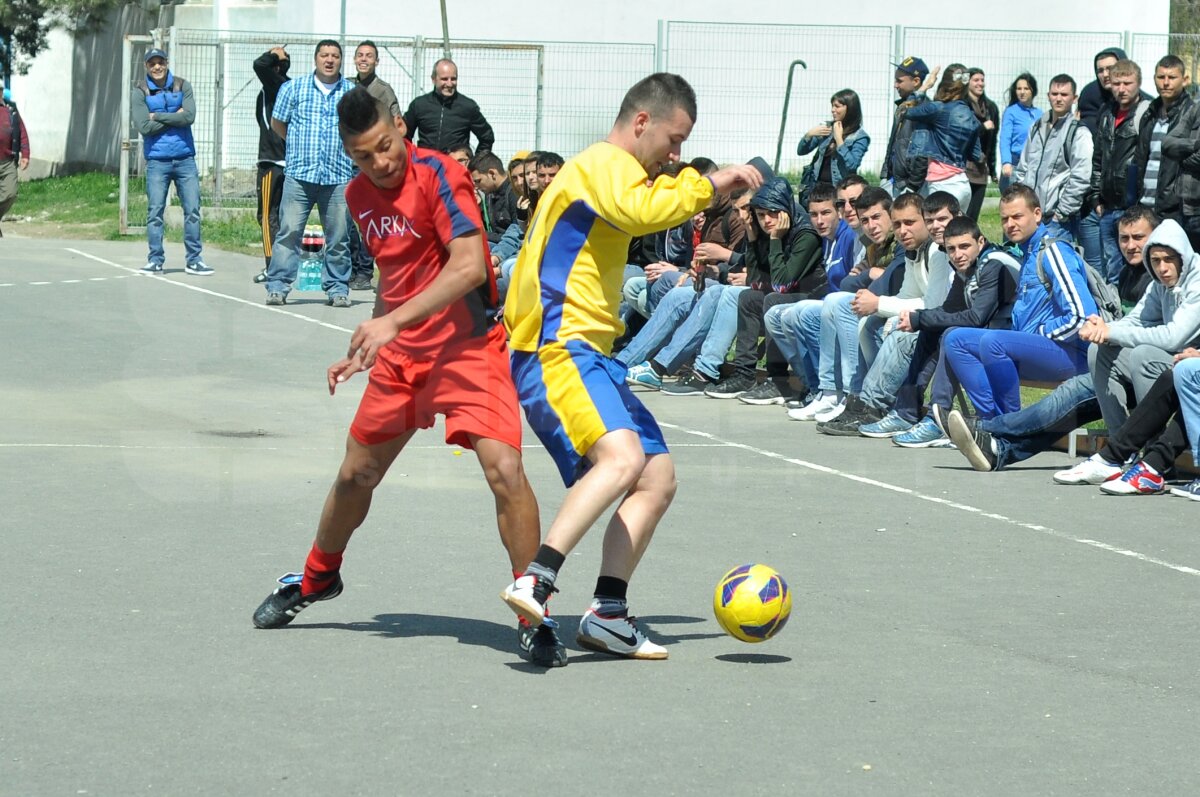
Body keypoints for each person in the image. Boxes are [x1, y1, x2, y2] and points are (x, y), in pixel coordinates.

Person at [251, 87, 566, 669]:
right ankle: (318, 577)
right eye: (363, 156)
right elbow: (395, 274)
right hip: (403, 357)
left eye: (385, 146)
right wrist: (371, 342)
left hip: (469, 350)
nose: (380, 162)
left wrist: (390, 322)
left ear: (400, 126)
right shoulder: (357, 195)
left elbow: (468, 266)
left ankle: (532, 611)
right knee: (356, 474)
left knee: (505, 471)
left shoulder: (442, 173)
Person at [499, 73, 762, 660]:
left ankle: (608, 613)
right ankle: (537, 579)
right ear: (641, 122)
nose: (674, 155)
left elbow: (640, 207)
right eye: (674, 140)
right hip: (556, 347)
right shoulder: (603, 164)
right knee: (622, 459)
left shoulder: (614, 173)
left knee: (656, 476)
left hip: (590, 352)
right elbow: (645, 211)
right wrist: (710, 181)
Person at [943, 184, 1096, 419]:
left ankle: (1009, 425)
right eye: (1005, 219)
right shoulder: (1028, 253)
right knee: (955, 339)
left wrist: (1042, 333)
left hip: (1071, 354)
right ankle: (990, 421)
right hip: (1036, 350)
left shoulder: (1054, 252)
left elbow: (1083, 318)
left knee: (994, 342)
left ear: (1037, 214)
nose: (1010, 224)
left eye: (1017, 216)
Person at [1079, 218, 1200, 437]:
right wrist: (1102, 329)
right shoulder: (1158, 283)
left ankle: (1152, 445)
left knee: (1144, 356)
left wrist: (1112, 332)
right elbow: (1137, 319)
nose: (1162, 268)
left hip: (1193, 364)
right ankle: (1120, 442)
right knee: (1098, 350)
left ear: (1183, 257)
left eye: (1169, 259)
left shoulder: (1197, 281)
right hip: (1177, 360)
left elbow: (1174, 337)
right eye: (1155, 261)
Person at [263, 40, 356, 307]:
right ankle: (278, 286)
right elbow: (278, 123)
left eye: (335, 56)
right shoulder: (293, 88)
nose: (329, 60)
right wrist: (297, 145)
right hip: (300, 175)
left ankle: (337, 288)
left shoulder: (351, 93)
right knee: (289, 233)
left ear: (341, 60)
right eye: (324, 55)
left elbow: (360, 128)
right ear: (316, 59)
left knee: (339, 237)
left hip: (338, 176)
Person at [132, 48, 210, 276]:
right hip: (157, 161)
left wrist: (157, 116)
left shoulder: (182, 85)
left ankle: (194, 260)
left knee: (192, 210)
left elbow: (190, 117)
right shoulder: (140, 90)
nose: (157, 67)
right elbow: (144, 127)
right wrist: (176, 115)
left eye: (160, 62)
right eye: (152, 63)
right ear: (146, 66)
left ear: (166, 63)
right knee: (155, 211)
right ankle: (155, 260)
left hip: (185, 159)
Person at [1085, 58, 1151, 285]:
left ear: (1138, 83)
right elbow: (1098, 159)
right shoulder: (1106, 113)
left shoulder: (1146, 113)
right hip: (1107, 207)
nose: (1121, 89)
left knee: (1138, 268)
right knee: (1112, 269)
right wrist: (1096, 197)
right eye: (1116, 83)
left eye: (1127, 83)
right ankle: (1115, 306)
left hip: (1133, 206)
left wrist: (1139, 201)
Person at [1014, 74, 1092, 244]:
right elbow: (1023, 167)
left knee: (1053, 260)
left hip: (1057, 221)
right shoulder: (1036, 127)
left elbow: (1081, 177)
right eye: (1054, 94)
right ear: (1048, 95)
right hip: (1029, 217)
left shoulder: (1078, 132)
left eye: (1064, 95)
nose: (1058, 99)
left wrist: (1061, 213)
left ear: (1074, 98)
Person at [905, 64, 982, 210]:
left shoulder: (937, 108)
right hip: (963, 184)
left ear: (944, 84)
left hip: (942, 184)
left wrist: (925, 86)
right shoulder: (972, 117)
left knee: (936, 224)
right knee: (958, 225)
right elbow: (975, 155)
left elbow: (904, 110)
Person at [251, 47, 291, 284]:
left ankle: (272, 267)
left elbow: (259, 64)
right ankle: (283, 265)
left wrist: (275, 54)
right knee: (284, 217)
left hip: (272, 162)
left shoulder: (275, 84)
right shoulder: (288, 87)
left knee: (267, 216)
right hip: (286, 161)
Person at [1136, 56, 1193, 218]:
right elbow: (1140, 160)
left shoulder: (1192, 115)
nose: (1166, 83)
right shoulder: (1149, 114)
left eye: (1172, 77)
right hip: (1144, 206)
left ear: (1184, 80)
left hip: (1176, 212)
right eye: (1161, 77)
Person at [403, 58, 494, 154]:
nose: (449, 84)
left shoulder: (467, 107)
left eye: (453, 79)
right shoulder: (419, 105)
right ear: (434, 79)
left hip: (454, 163)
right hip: (426, 161)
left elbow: (487, 137)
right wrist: (409, 157)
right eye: (444, 79)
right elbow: (403, 134)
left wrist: (477, 161)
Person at [797, 89, 870, 207]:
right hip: (817, 187)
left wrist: (839, 139)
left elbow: (852, 165)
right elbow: (801, 151)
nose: (833, 110)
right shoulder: (827, 128)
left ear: (849, 108)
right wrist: (809, 134)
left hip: (838, 189)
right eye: (832, 106)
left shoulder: (860, 137)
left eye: (837, 106)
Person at [881, 56, 931, 197]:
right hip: (895, 182)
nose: (895, 85)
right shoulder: (903, 107)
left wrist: (912, 187)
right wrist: (885, 174)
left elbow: (923, 154)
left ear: (916, 81)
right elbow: (892, 144)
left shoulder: (924, 110)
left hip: (912, 186)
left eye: (899, 81)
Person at [964, 68, 999, 221]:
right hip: (964, 166)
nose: (980, 83)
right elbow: (961, 135)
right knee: (962, 212)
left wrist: (992, 168)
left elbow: (993, 140)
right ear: (968, 82)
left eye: (982, 80)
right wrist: (982, 127)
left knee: (973, 216)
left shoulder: (991, 107)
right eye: (976, 80)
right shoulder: (962, 105)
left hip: (980, 168)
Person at [999, 72, 1041, 194]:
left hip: (1033, 164)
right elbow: (1005, 139)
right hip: (1015, 164)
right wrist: (1006, 162)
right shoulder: (1011, 112)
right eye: (1019, 89)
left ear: (1033, 91)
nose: (1022, 92)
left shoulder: (1039, 114)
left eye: (1026, 88)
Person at [468, 150, 519, 244]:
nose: (476, 186)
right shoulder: (489, 194)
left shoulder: (514, 193)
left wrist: (483, 235)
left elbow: (518, 235)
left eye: (478, 181)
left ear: (492, 174)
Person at [0, 78, 30, 237]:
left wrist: (25, 154)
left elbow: (22, 133)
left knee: (10, 194)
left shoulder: (11, 111)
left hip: (7, 161)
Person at [1078, 48, 1126, 136]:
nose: (1105, 75)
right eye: (1100, 71)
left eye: (1110, 68)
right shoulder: (1089, 95)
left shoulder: (1140, 99)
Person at [352, 40, 401, 118]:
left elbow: (396, 120)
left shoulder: (384, 90)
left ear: (376, 61)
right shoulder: (348, 85)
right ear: (354, 59)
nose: (363, 59)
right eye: (360, 55)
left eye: (369, 56)